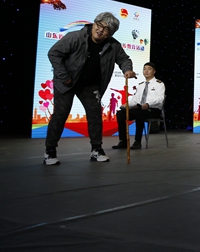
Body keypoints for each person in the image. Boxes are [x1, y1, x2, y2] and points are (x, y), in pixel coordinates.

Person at [44, 12, 136, 165]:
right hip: (66, 82)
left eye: (106, 29)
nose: (100, 30)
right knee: (60, 114)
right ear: (94, 23)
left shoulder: (113, 45)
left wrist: (127, 69)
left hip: (90, 85)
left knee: (95, 115)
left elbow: (124, 59)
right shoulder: (75, 37)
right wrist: (63, 75)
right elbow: (54, 53)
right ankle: (50, 151)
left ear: (110, 34)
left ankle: (96, 150)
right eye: (99, 25)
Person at [112, 62, 165, 150]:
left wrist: (148, 104)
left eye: (149, 69)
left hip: (153, 110)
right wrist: (127, 105)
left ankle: (137, 141)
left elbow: (160, 99)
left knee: (139, 113)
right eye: (144, 69)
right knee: (120, 114)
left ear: (154, 71)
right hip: (140, 109)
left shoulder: (159, 84)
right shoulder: (141, 85)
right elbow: (135, 100)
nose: (146, 71)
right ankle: (123, 141)